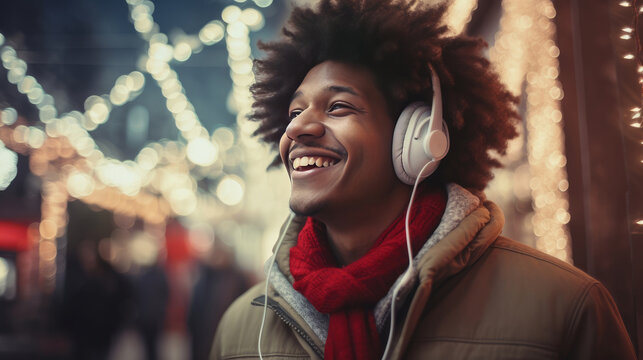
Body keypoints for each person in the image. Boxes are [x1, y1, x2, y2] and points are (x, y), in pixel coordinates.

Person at [211, 0, 636, 359]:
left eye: (338, 107)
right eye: (293, 112)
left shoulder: (564, 308)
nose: (298, 129)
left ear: (417, 138)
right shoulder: (241, 329)